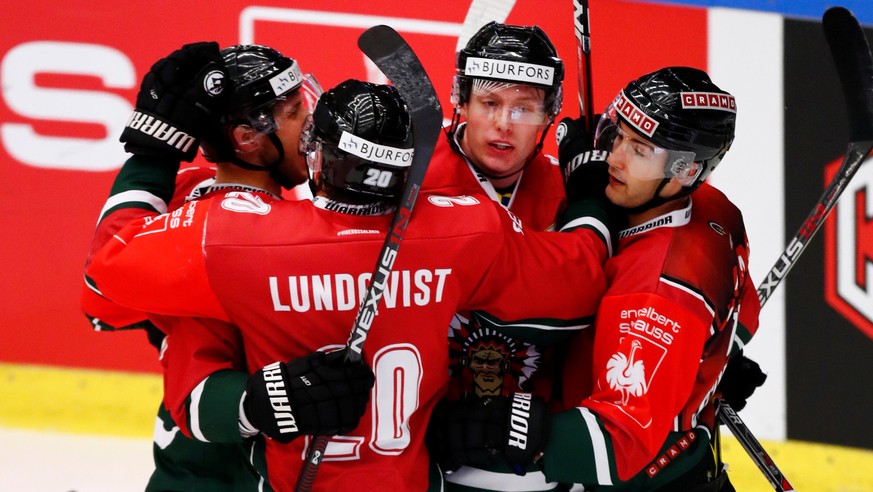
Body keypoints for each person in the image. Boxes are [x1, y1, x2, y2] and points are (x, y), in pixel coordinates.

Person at [83, 66, 621, 489]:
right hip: (409, 478)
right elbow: (578, 279)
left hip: (281, 476)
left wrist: (152, 154)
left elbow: (104, 280)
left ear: (319, 157)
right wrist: (590, 191)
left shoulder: (229, 234)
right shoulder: (468, 226)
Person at [429, 67, 761, 491]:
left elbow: (618, 441)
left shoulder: (655, 292)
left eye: (639, 151)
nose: (614, 158)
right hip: (690, 459)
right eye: (616, 135)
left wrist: (500, 432)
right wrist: (707, 362)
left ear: (684, 170)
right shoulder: (713, 207)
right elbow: (743, 314)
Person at [81, 42, 322, 490]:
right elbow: (101, 287)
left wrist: (153, 154)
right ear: (248, 139)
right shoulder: (219, 230)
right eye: (294, 113)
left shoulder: (185, 194)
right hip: (218, 470)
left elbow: (102, 307)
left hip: (197, 459)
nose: (312, 125)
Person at [422, 22, 577, 491]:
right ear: (462, 101)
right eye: (490, 103)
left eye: (524, 107)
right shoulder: (414, 181)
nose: (504, 123)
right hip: (425, 452)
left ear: (551, 114)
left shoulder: (571, 192)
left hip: (534, 460)